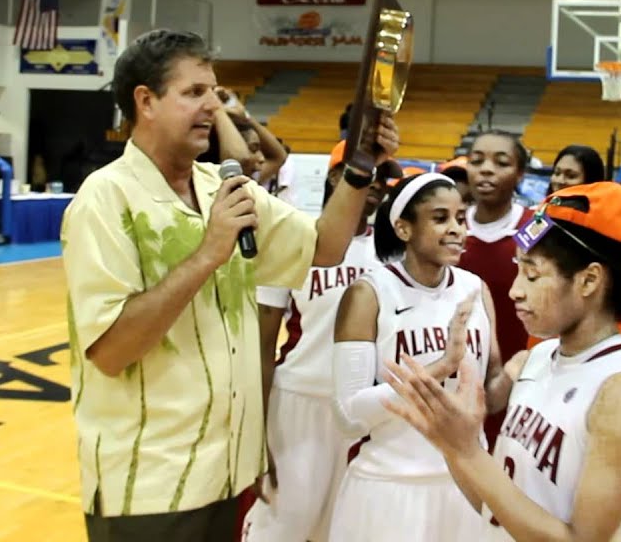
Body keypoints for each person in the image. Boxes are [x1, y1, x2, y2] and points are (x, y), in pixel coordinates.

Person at [60, 30, 399, 541]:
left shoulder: (221, 187)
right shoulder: (104, 201)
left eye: (215, 92)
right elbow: (110, 350)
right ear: (145, 101)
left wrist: (358, 168)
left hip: (225, 473)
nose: (213, 106)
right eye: (194, 92)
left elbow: (322, 249)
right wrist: (209, 252)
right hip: (151, 484)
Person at [382, 182, 621, 541]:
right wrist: (453, 444)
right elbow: (496, 509)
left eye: (532, 274)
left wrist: (467, 451)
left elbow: (581, 540)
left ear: (589, 280)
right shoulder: (538, 357)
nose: (515, 290)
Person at [328, 172, 508, 541]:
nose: (457, 228)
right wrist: (440, 367)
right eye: (440, 218)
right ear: (404, 229)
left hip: (469, 485)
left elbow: (487, 396)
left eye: (461, 217)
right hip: (390, 484)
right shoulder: (369, 293)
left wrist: (523, 373)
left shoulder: (475, 288)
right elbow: (348, 417)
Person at [240, 141, 399, 542]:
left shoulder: (394, 255)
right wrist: (254, 438)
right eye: (368, 173)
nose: (377, 184)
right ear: (335, 176)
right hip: (297, 404)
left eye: (382, 175)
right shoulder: (297, 238)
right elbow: (261, 347)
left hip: (361, 412)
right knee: (279, 528)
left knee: (342, 532)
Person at [458, 130, 533, 441]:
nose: (486, 169)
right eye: (477, 161)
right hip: (457, 380)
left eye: (501, 162)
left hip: (524, 377)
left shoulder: (536, 227)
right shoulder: (451, 226)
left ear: (520, 174)